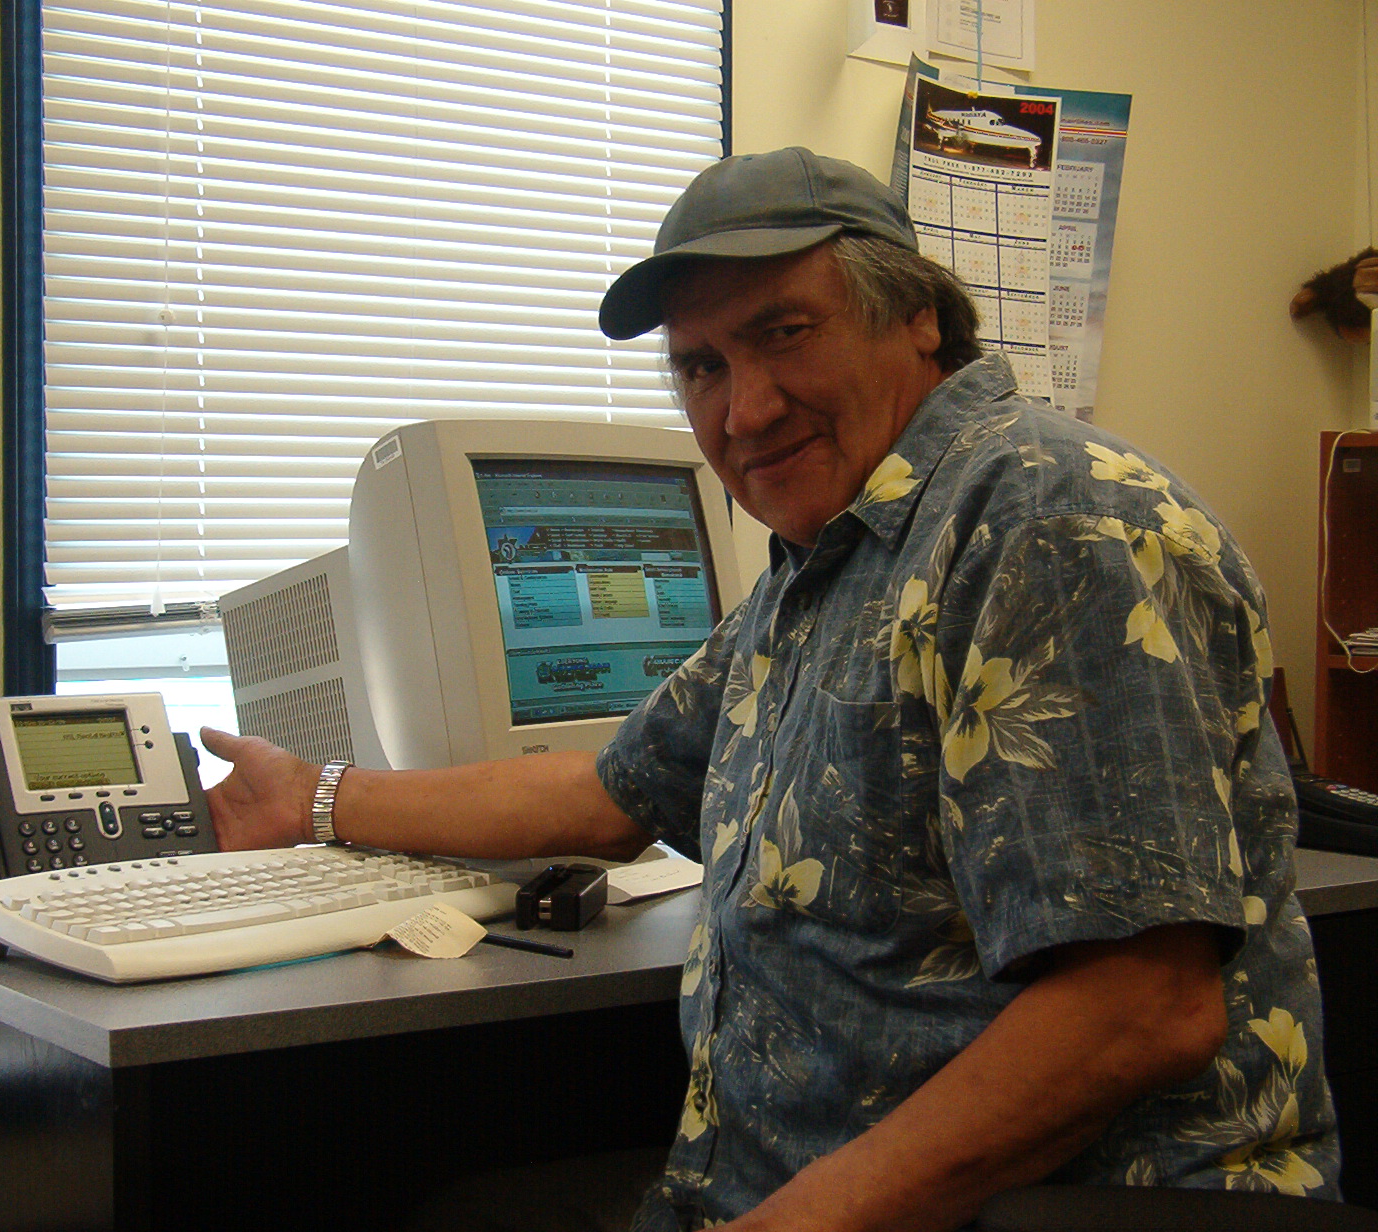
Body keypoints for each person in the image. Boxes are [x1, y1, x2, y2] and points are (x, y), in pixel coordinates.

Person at [201, 147, 1339, 1230]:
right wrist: (310, 797)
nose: (743, 411)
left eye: (784, 334)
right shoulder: (832, 560)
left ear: (919, 316)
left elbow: (1137, 1010)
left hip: (1031, 1210)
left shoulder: (1047, 521)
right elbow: (608, 794)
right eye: (702, 367)